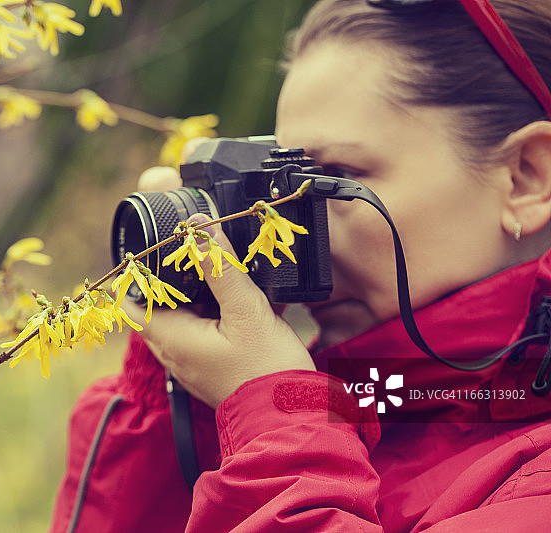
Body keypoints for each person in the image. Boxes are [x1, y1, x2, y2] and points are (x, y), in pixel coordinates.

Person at [48, 0, 551, 531]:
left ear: (525, 177)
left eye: (334, 180)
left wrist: (277, 420)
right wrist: (188, 398)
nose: (290, 233)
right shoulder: (335, 413)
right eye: (282, 185)